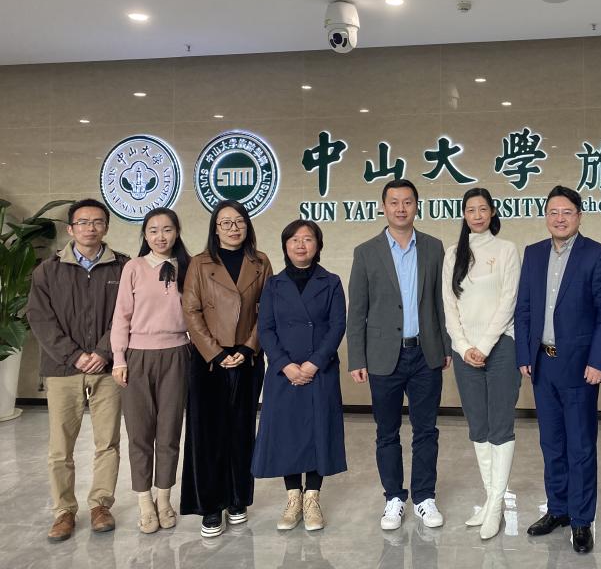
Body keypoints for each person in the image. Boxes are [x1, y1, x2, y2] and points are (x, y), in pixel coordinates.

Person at [514, 185, 601, 554]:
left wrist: (599, 361)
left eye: (567, 212)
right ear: (546, 216)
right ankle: (558, 509)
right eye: (553, 212)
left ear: (579, 216)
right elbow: (524, 308)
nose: (560, 218)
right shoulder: (534, 253)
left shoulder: (597, 254)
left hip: (580, 367)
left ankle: (581, 519)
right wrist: (524, 353)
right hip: (542, 363)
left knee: (580, 446)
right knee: (551, 443)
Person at [347, 179, 451, 531]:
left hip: (425, 353)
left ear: (416, 206)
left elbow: (441, 302)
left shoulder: (434, 248)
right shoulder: (366, 252)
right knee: (387, 432)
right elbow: (357, 309)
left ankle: (424, 497)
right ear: (384, 207)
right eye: (394, 202)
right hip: (382, 356)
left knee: (426, 430)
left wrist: (445, 345)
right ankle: (393, 497)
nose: (401, 208)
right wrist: (357, 358)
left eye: (407, 202)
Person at [26, 198, 128, 542]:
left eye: (97, 222)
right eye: (83, 222)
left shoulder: (122, 267)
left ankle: (100, 506)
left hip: (107, 368)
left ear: (106, 227)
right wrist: (75, 355)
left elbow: (126, 315)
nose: (90, 228)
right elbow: (40, 318)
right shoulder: (47, 271)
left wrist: (102, 352)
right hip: (62, 369)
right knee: (60, 447)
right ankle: (64, 511)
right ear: (71, 229)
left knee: (108, 442)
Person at [180, 200, 273, 537]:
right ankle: (211, 505)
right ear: (215, 229)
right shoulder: (199, 263)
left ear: (247, 225)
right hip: (209, 361)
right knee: (208, 434)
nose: (234, 228)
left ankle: (238, 500)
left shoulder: (260, 261)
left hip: (248, 358)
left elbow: (268, 309)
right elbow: (191, 311)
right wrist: (216, 353)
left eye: (239, 221)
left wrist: (248, 347)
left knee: (242, 431)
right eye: (226, 223)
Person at [252, 220, 347, 532]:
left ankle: (312, 498)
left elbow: (337, 326)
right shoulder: (273, 285)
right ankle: (293, 498)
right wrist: (285, 364)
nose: (301, 245)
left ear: (318, 245)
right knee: (287, 433)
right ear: (285, 245)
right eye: (294, 239)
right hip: (284, 372)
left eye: (308, 239)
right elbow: (266, 328)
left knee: (318, 430)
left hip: (320, 370)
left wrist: (314, 363)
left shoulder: (331, 282)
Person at [441, 187, 521, 540]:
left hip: (501, 347)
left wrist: (485, 345)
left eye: (482, 209)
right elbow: (449, 304)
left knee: (500, 426)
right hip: (465, 352)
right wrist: (462, 346)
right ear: (464, 214)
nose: (477, 215)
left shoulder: (506, 250)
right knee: (478, 426)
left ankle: (497, 504)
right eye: (471, 209)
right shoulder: (452, 254)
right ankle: (491, 500)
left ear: (492, 213)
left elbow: (509, 300)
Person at [110, 207, 191, 534]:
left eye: (167, 229)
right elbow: (121, 315)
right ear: (145, 234)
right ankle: (144, 502)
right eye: (153, 230)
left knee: (169, 432)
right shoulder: (134, 267)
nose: (160, 236)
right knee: (139, 434)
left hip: (176, 354)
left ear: (177, 232)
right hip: (137, 357)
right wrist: (119, 358)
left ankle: (164, 499)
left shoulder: (188, 267)